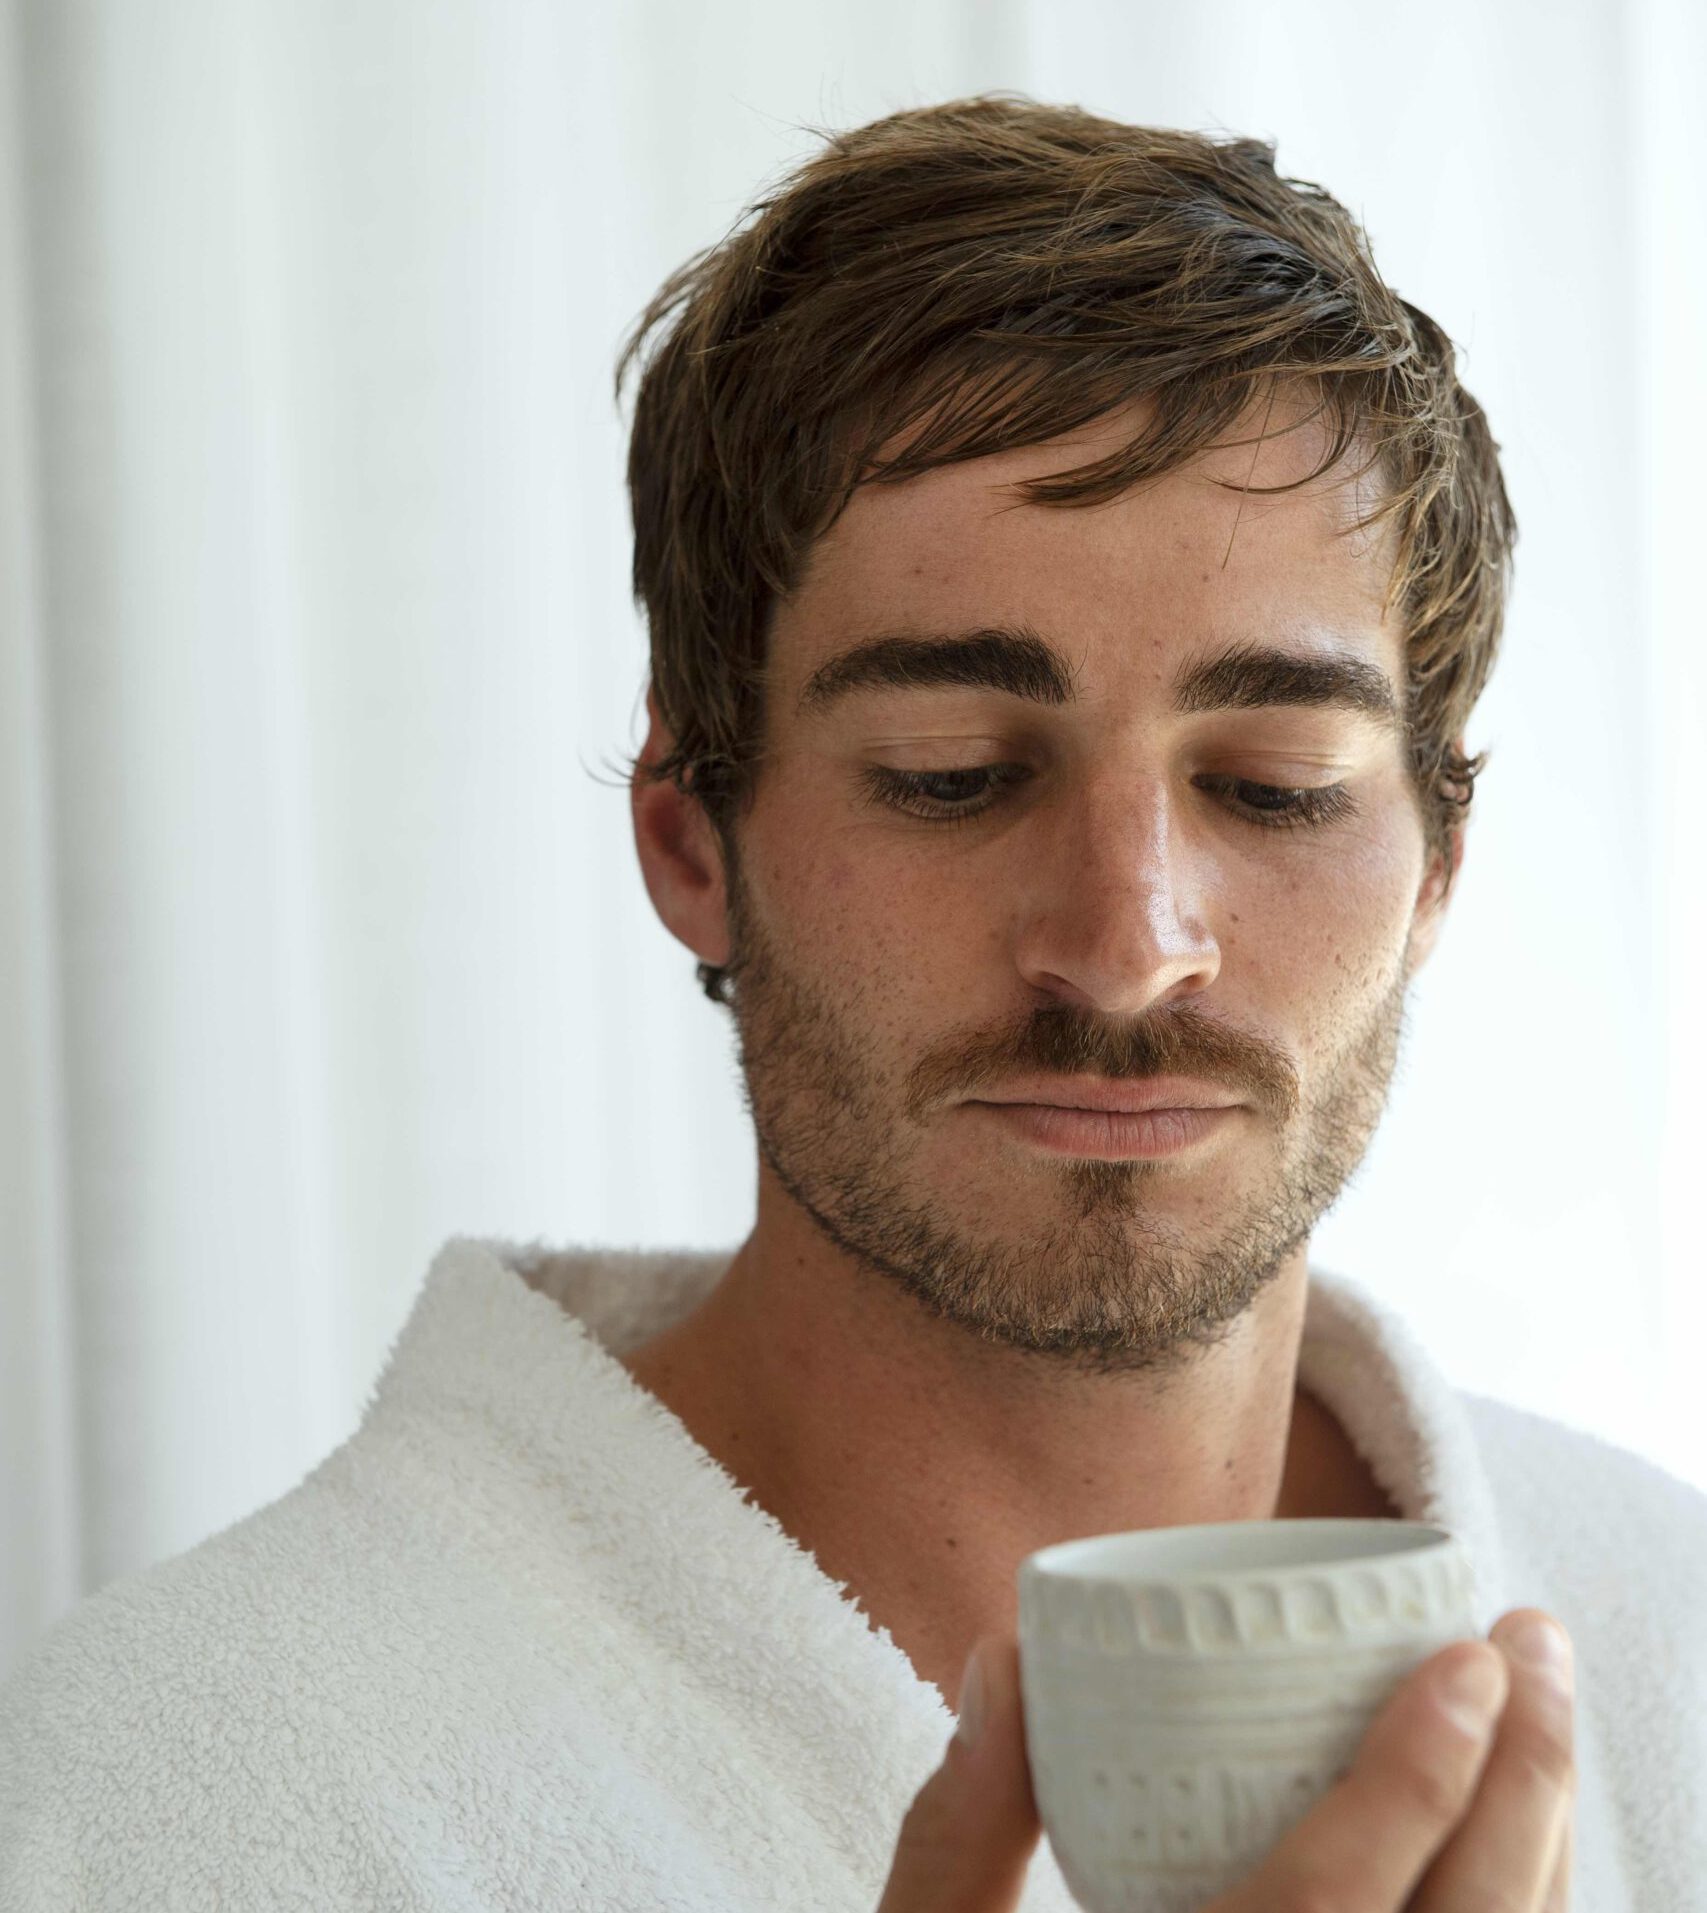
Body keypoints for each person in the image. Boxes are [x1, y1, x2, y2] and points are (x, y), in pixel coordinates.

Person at [3, 93, 1704, 1913]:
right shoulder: (139, 1814)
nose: (1129, 943)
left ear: (1439, 863)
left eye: (1274, 786)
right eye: (952, 772)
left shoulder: (1670, 1651)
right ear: (690, 838)